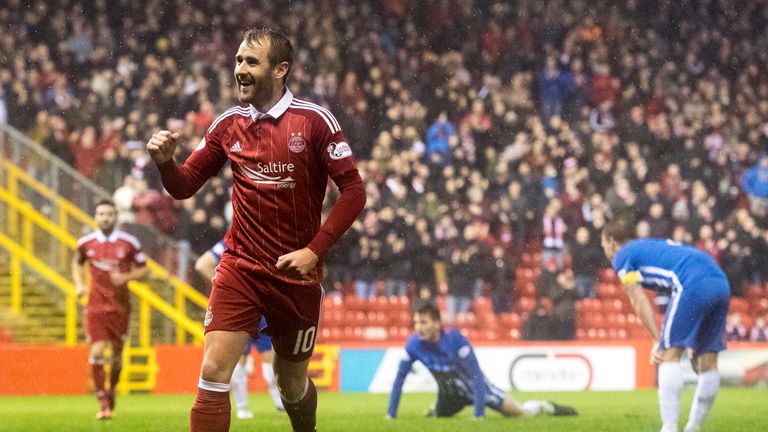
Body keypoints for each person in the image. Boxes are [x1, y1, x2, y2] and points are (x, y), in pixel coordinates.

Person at [146, 28, 366, 432]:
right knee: (213, 369)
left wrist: (313, 251)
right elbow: (184, 186)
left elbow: (354, 191)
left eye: (251, 62)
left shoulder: (315, 122)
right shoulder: (228, 124)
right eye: (238, 61)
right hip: (240, 266)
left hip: (296, 274)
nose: (240, 70)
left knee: (291, 384)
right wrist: (165, 163)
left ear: (280, 69)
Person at [601, 218, 730, 432]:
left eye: (604, 245)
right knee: (708, 361)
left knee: (668, 355)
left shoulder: (622, 254)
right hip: (720, 281)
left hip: (691, 281)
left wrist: (656, 340)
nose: (605, 250)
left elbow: (638, 298)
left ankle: (669, 427)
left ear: (612, 242)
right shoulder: (650, 246)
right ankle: (694, 426)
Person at [387, 301, 577, 420]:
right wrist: (391, 414)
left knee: (521, 415)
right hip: (450, 394)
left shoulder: (455, 339)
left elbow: (476, 375)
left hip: (477, 389)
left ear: (437, 323)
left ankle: (543, 406)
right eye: (416, 323)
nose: (418, 328)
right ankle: (436, 408)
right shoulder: (413, 344)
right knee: (438, 417)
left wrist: (478, 414)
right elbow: (399, 380)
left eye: (424, 323)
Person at [72, 199, 148, 420]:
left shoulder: (129, 242)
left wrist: (126, 276)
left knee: (116, 357)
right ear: (96, 217)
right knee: (96, 352)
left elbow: (144, 270)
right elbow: (77, 262)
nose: (105, 218)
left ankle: (112, 388)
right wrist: (79, 284)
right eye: (102, 214)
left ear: (116, 217)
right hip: (95, 306)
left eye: (109, 214)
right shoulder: (86, 243)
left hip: (120, 307)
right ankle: (103, 401)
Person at [195, 240, 285, 419]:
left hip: (244, 307)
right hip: (255, 306)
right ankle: (277, 404)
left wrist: (226, 286)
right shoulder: (250, 241)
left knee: (251, 360)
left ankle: (248, 407)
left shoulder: (231, 243)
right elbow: (201, 264)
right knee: (261, 359)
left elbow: (202, 264)